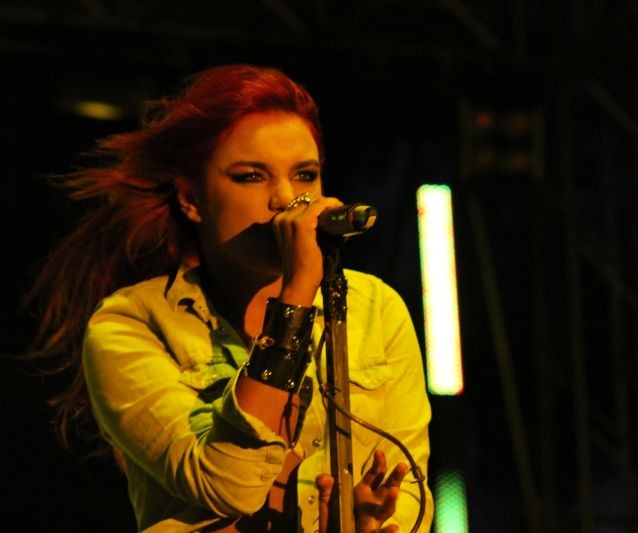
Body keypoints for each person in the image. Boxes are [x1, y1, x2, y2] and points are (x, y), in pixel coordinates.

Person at [24, 64, 433, 532]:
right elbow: (225, 486)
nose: (287, 199)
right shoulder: (130, 325)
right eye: (251, 176)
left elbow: (411, 490)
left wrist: (374, 523)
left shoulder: (375, 308)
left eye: (305, 175)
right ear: (191, 199)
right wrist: (295, 299)